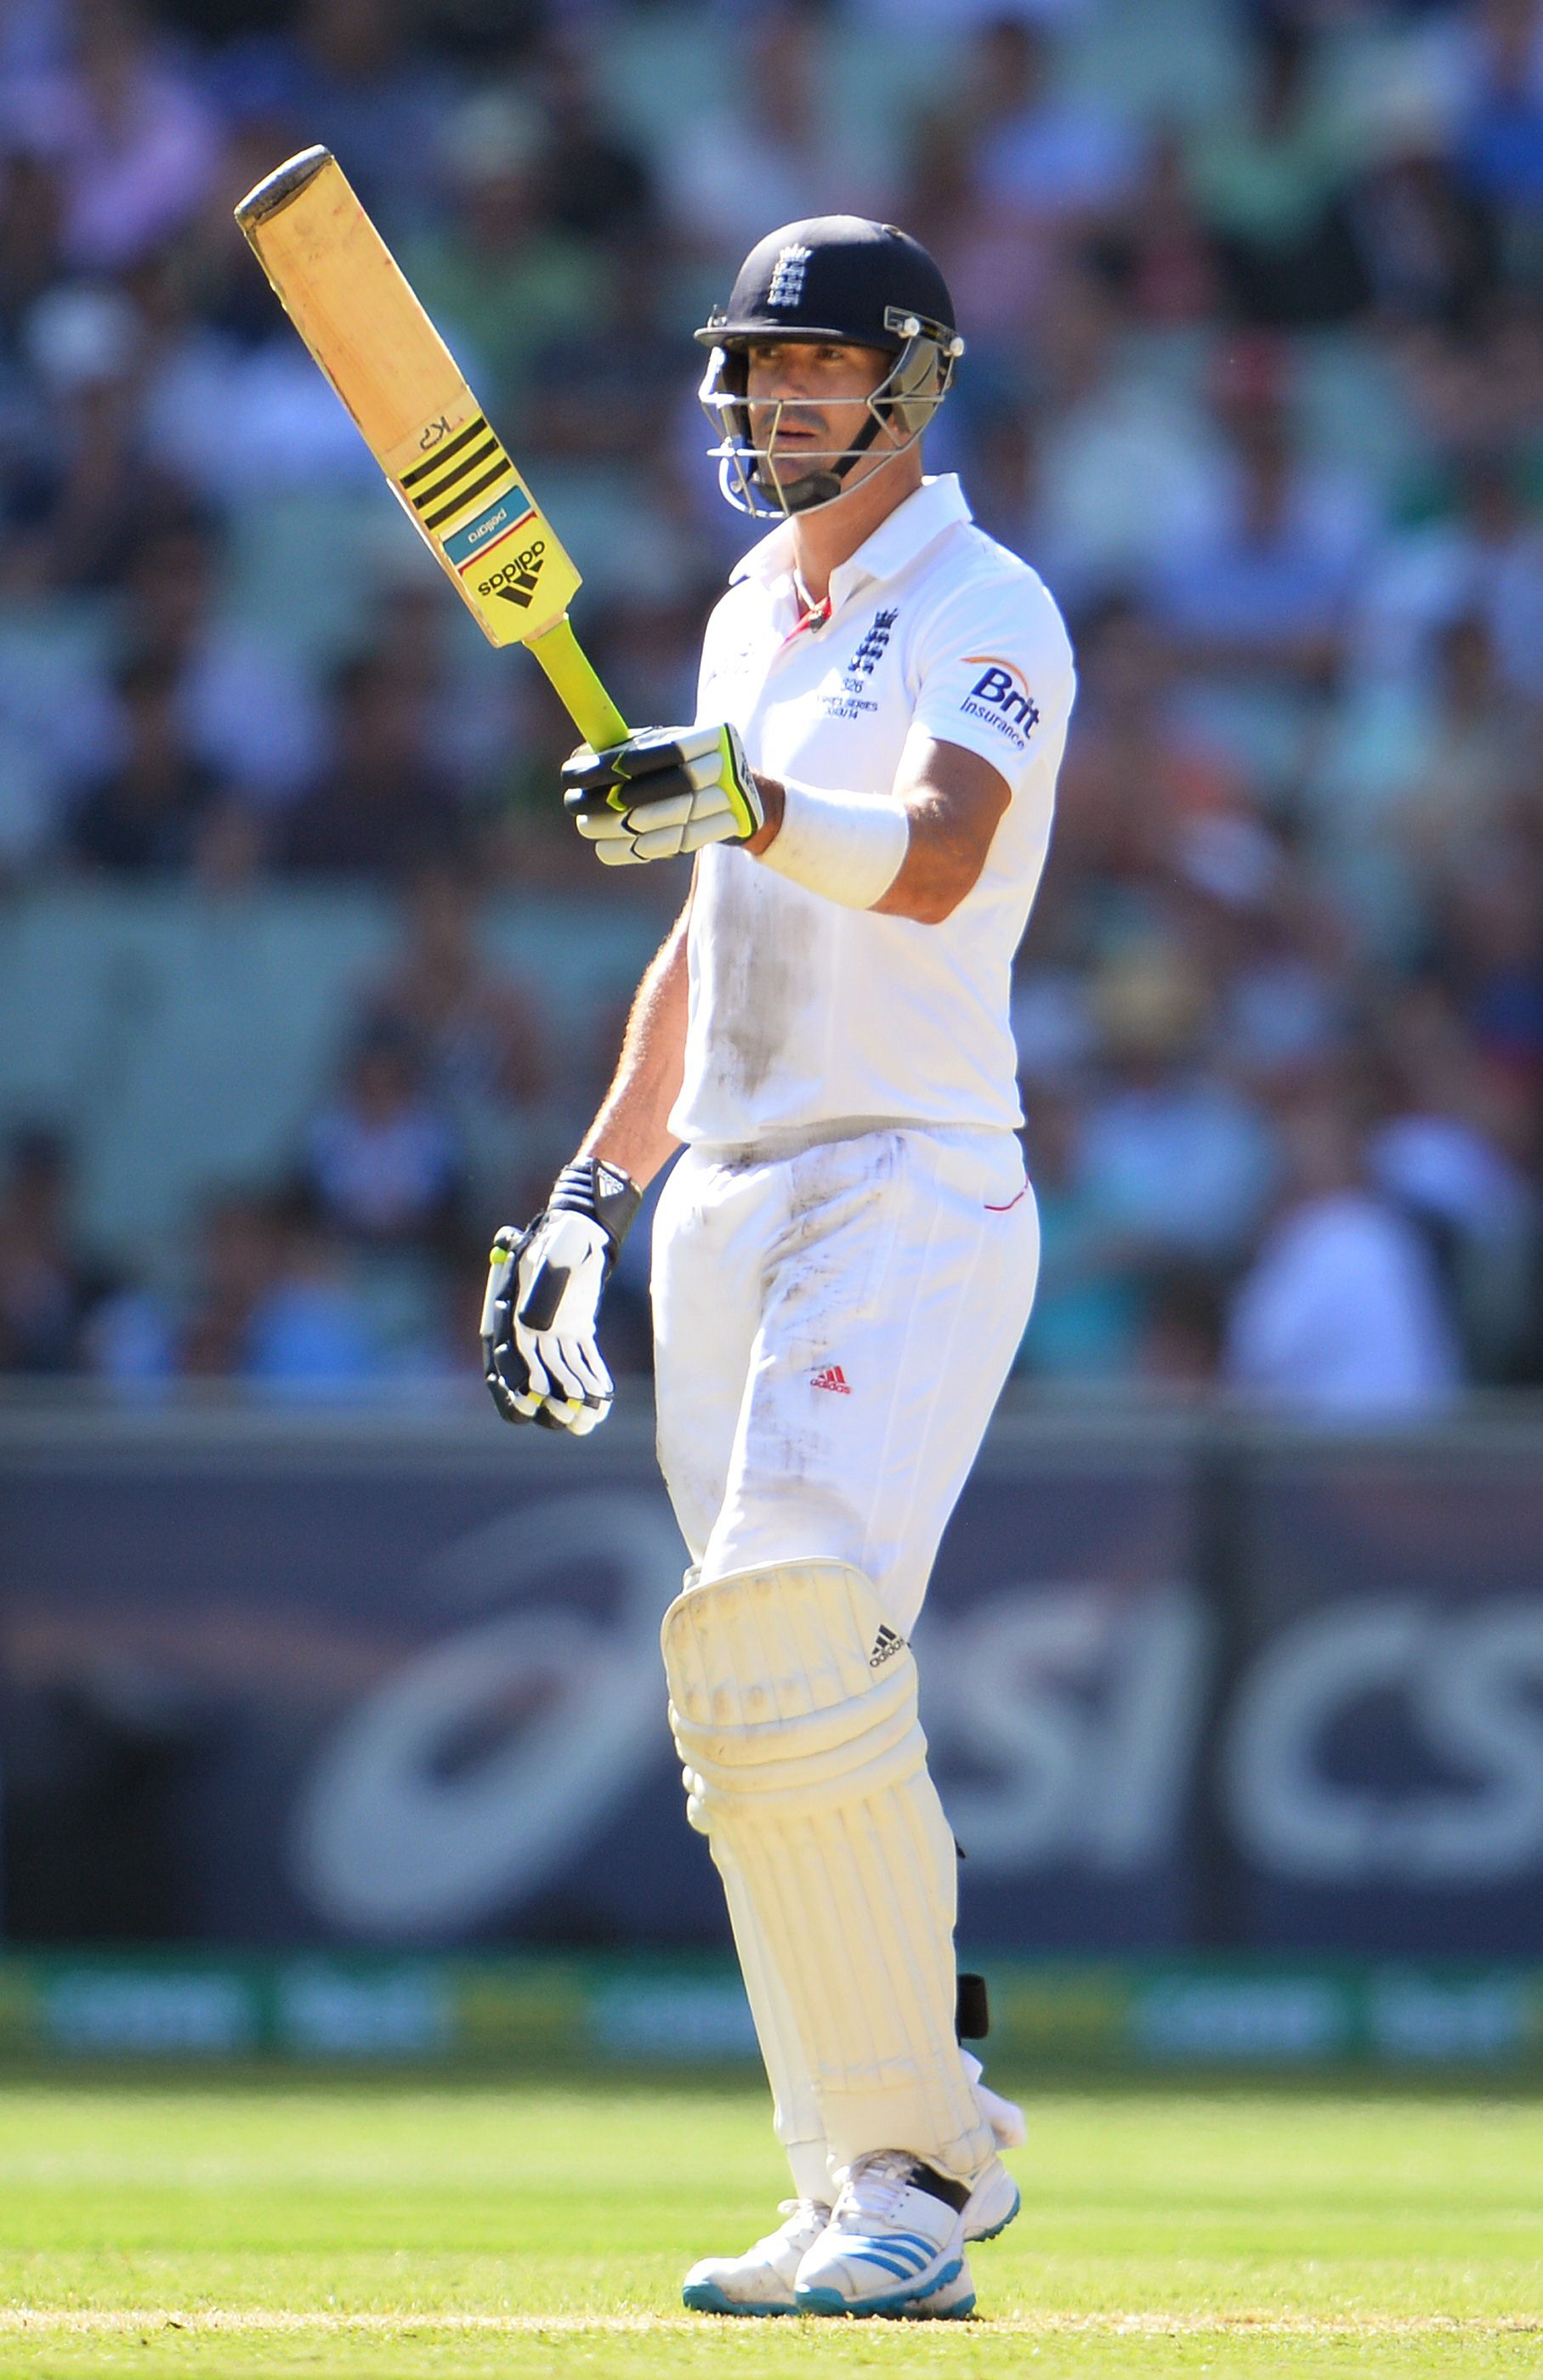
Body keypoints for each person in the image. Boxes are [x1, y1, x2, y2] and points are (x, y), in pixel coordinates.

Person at [480, 218, 1075, 2320]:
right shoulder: (747, 609)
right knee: (756, 1709)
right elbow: (710, 935)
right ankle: (853, 2173)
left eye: (817, 368)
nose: (773, 402)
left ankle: (932, 2160)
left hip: (906, 1177)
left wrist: (732, 782)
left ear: (911, 383)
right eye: (753, 368)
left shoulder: (984, 603)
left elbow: (925, 852)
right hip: (724, 1196)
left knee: (783, 1612)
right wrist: (586, 1192)